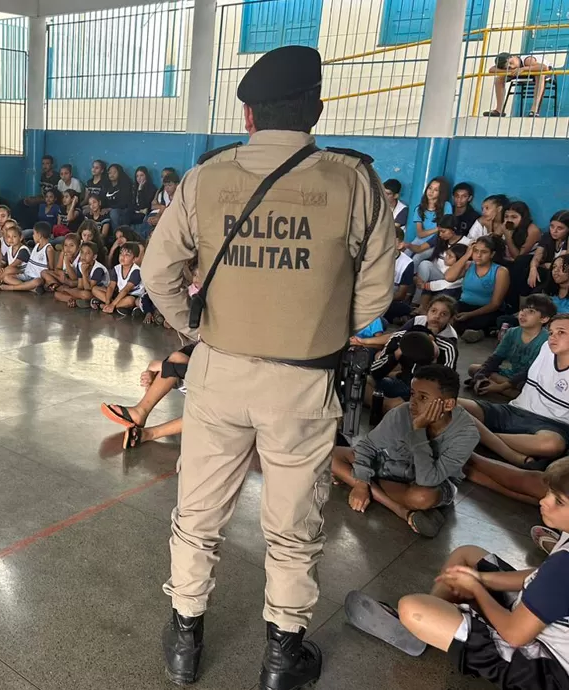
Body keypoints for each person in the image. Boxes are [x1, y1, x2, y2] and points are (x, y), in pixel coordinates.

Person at [141, 45, 396, 689]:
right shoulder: (352, 179)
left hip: (218, 375)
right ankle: (283, 656)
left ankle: (184, 639)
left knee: (197, 512)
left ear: (248, 115)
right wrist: (327, 328)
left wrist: (195, 327)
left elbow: (156, 272)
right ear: (315, 107)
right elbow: (377, 291)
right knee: (292, 526)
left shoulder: (208, 176)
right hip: (303, 384)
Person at [348, 458, 569, 690]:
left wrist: (477, 589)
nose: (544, 501)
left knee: (411, 610)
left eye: (559, 501)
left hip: (547, 671)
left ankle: (424, 628)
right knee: (468, 555)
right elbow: (538, 575)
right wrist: (483, 579)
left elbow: (514, 634)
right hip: (540, 623)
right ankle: (436, 624)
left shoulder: (563, 567)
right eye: (549, 493)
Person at [333, 364, 478, 537]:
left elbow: (427, 480)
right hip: (394, 468)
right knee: (330, 455)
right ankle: (401, 510)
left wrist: (418, 432)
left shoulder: (466, 434)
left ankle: (363, 481)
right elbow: (367, 446)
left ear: (447, 404)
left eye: (423, 398)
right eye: (412, 394)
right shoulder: (401, 413)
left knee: (421, 498)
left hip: (432, 482)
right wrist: (361, 483)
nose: (413, 403)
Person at [459, 314, 569, 468]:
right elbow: (521, 372)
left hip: (551, 426)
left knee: (552, 445)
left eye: (561, 332)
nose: (552, 337)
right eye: (551, 332)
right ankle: (497, 445)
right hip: (514, 410)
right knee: (451, 404)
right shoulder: (546, 349)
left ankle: (478, 436)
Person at [100, 343, 194, 449]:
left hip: (213, 398)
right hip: (202, 383)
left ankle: (148, 434)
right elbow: (188, 354)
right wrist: (154, 372)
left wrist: (163, 366)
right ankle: (139, 412)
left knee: (209, 413)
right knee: (178, 358)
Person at [467, 294, 555, 399]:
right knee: (473, 369)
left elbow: (529, 372)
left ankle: (498, 388)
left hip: (529, 379)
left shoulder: (546, 341)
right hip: (510, 374)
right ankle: (495, 386)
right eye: (522, 310)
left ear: (544, 319)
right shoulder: (512, 332)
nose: (523, 314)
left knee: (526, 387)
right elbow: (496, 358)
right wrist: (481, 376)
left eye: (531, 312)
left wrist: (501, 387)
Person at [445, 235, 510, 341]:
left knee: (481, 320)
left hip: (486, 310)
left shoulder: (501, 271)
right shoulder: (469, 265)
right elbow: (449, 277)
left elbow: (495, 304)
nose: (478, 255)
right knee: (447, 312)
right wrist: (466, 255)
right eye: (476, 251)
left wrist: (469, 315)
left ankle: (477, 332)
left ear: (492, 254)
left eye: (484, 252)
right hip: (463, 305)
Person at [485, 52, 552, 117]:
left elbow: (544, 67)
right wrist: (510, 71)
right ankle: (499, 110)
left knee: (539, 74)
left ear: (514, 56)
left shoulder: (528, 60)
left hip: (538, 70)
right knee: (498, 79)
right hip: (520, 72)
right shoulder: (510, 66)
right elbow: (491, 70)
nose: (511, 66)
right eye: (508, 67)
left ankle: (534, 110)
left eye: (511, 63)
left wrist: (523, 69)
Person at [0, 221, 54, 294]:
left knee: (38, 281)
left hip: (37, 277)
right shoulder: (36, 246)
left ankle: (9, 288)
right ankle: (30, 289)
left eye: (34, 233)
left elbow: (51, 268)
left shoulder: (49, 249)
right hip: (26, 275)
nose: (33, 236)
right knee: (6, 278)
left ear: (39, 235)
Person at [91, 241, 143, 315]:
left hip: (132, 295)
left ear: (134, 259)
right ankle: (114, 307)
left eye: (127, 255)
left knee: (130, 301)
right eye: (121, 253)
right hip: (119, 294)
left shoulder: (136, 271)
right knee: (95, 289)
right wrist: (108, 302)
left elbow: (126, 289)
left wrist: (112, 304)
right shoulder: (116, 268)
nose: (123, 257)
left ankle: (105, 306)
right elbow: (111, 286)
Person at [53, 240, 108, 309]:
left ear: (94, 257)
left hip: (98, 294)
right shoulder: (80, 265)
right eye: (82, 253)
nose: (83, 256)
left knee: (86, 294)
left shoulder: (98, 269)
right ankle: (77, 301)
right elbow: (80, 286)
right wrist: (75, 294)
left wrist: (84, 273)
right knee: (57, 295)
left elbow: (88, 289)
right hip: (84, 292)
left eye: (87, 253)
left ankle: (78, 299)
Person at [413, 177, 453, 242]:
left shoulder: (446, 206)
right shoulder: (419, 209)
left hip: (437, 241)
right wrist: (438, 228)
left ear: (441, 193)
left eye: (436, 190)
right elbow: (420, 234)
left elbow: (446, 229)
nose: (431, 192)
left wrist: (439, 230)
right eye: (430, 188)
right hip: (420, 240)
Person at [104, 163, 134, 229]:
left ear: (119, 173)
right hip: (108, 209)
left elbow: (124, 203)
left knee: (114, 213)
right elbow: (102, 198)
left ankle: (116, 234)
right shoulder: (106, 185)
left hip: (122, 209)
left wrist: (110, 208)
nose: (112, 174)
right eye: (110, 172)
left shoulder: (125, 185)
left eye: (114, 172)